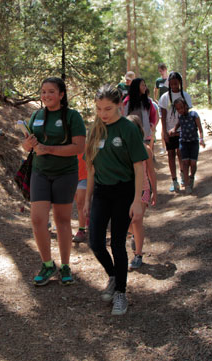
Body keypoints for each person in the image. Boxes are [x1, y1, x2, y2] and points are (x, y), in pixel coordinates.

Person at [84, 84, 148, 315]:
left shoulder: (128, 129)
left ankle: (121, 292)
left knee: (117, 243)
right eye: (99, 108)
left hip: (124, 192)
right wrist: (87, 200)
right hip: (101, 192)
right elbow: (90, 168)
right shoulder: (95, 130)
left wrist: (138, 201)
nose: (103, 114)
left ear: (120, 105)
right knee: (95, 242)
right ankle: (113, 275)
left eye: (108, 108)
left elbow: (138, 166)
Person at [22, 77, 86, 286]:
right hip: (39, 173)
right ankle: (47, 265)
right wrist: (28, 144)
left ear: (61, 94)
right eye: (43, 92)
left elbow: (79, 147)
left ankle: (65, 266)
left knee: (62, 220)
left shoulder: (72, 116)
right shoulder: (36, 116)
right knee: (38, 219)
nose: (46, 95)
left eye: (51, 91)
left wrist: (49, 149)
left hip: (65, 174)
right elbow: (27, 147)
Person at [126, 115, 157, 270]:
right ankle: (135, 235)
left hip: (143, 189)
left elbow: (151, 172)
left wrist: (154, 191)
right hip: (125, 191)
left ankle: (138, 254)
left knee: (137, 220)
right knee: (126, 223)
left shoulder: (146, 150)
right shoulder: (121, 150)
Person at [158, 72, 192, 192]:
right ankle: (174, 180)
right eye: (171, 84)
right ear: (169, 84)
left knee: (181, 154)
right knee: (171, 154)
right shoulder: (164, 97)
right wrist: (165, 132)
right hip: (170, 131)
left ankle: (183, 176)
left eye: (176, 83)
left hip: (183, 131)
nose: (174, 86)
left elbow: (188, 114)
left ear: (180, 82)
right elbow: (163, 116)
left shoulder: (185, 96)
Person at [169, 98, 205, 194]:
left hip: (193, 142)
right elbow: (176, 127)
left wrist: (201, 139)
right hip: (184, 143)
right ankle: (187, 185)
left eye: (181, 107)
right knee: (185, 162)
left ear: (185, 105)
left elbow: (200, 129)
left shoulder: (194, 115)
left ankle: (191, 176)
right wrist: (173, 130)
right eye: (178, 109)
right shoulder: (180, 118)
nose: (180, 110)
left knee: (193, 163)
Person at [123, 78, 157, 144]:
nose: (145, 87)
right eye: (142, 85)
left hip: (145, 135)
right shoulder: (127, 101)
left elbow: (153, 115)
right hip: (131, 135)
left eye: (145, 85)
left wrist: (151, 124)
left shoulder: (148, 101)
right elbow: (123, 116)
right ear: (136, 86)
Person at [72, 153, 88, 243]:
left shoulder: (89, 138)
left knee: (80, 203)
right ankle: (86, 220)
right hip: (71, 174)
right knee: (78, 201)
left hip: (85, 175)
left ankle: (81, 230)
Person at [154, 63, 169, 155]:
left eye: (162, 70)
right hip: (161, 105)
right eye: (159, 71)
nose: (161, 72)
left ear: (166, 69)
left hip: (169, 104)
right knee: (163, 126)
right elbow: (155, 89)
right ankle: (164, 147)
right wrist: (155, 99)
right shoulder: (158, 80)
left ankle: (171, 145)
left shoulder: (170, 78)